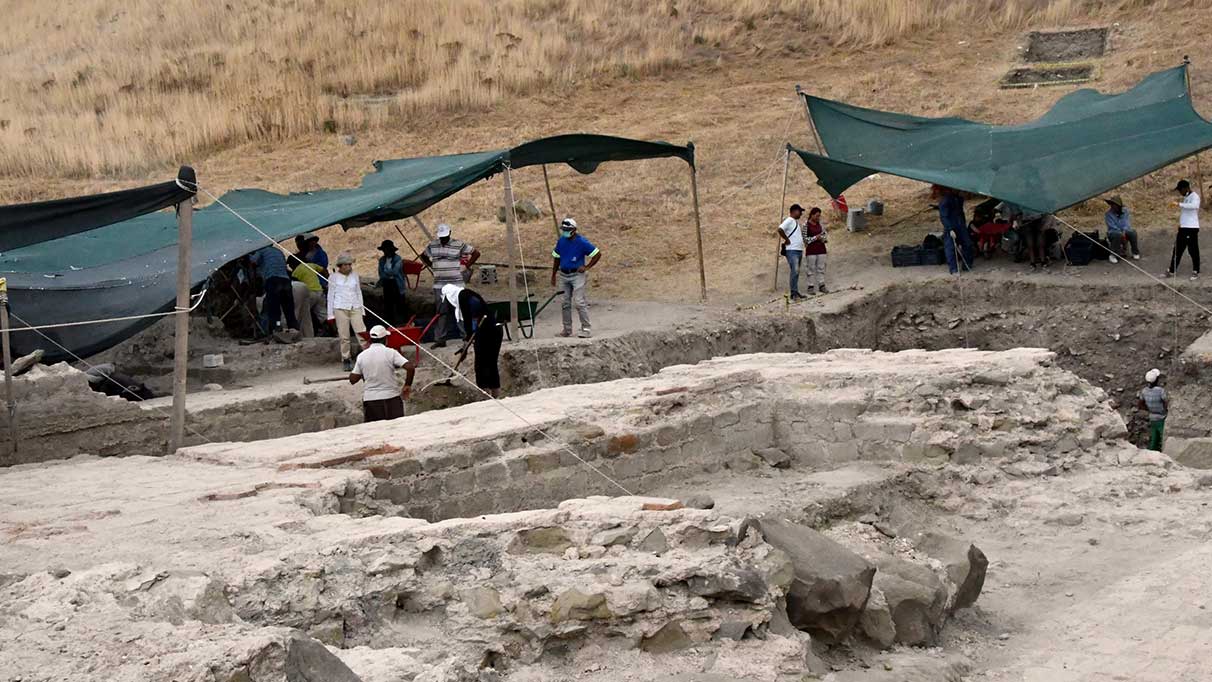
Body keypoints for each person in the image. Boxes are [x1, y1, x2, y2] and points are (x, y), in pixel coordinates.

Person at [421, 224, 480, 347]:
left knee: (460, 310)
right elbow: (423, 256)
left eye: (445, 237)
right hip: (440, 285)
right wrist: (432, 266)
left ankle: (466, 337)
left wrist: (466, 265)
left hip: (456, 284)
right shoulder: (433, 245)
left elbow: (475, 253)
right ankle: (440, 339)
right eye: (441, 237)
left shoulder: (458, 244)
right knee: (441, 312)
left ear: (450, 233)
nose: (443, 239)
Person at [442, 283, 504, 398]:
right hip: (495, 329)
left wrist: (467, 341)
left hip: (486, 332)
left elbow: (470, 320)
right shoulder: (467, 293)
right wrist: (467, 341)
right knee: (491, 364)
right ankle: (495, 395)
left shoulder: (463, 297)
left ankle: (485, 396)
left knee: (481, 365)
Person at [349, 325, 414, 423]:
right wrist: (407, 385)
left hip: (371, 400)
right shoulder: (391, 353)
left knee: (375, 432)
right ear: (385, 339)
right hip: (392, 398)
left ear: (370, 340)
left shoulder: (362, 356)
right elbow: (410, 367)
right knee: (397, 429)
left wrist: (362, 372)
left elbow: (353, 380)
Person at [550, 217, 601, 338]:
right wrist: (553, 275)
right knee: (565, 303)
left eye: (567, 229)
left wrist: (587, 267)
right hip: (564, 274)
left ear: (574, 230)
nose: (565, 232)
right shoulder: (561, 241)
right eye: (564, 229)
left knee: (579, 302)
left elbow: (597, 254)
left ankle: (586, 328)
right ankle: (567, 329)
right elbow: (556, 258)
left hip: (577, 275)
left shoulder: (582, 242)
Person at [327, 251, 366, 371]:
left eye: (350, 264)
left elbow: (358, 292)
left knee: (362, 332)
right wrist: (330, 314)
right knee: (344, 336)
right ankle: (346, 358)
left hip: (355, 306)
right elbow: (330, 295)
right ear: (341, 266)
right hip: (340, 307)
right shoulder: (333, 277)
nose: (349, 267)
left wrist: (362, 309)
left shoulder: (355, 275)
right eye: (346, 265)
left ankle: (367, 356)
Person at [250, 244, 299, 335]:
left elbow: (253, 262)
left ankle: (277, 329)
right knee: (289, 309)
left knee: (275, 309)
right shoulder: (278, 251)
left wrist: (248, 256)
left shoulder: (261, 250)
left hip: (273, 280)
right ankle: (294, 329)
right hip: (286, 280)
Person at [933, 185, 974, 275]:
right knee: (951, 248)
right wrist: (950, 229)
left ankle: (967, 265)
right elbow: (944, 217)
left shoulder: (959, 199)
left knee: (967, 244)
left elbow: (961, 213)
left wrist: (963, 224)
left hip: (961, 226)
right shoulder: (945, 201)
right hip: (951, 226)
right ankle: (954, 269)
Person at [1166, 179, 1200, 280]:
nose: (1180, 192)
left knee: (1192, 250)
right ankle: (1172, 270)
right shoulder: (1186, 198)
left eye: (1180, 190)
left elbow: (1194, 206)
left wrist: (1179, 204)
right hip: (1184, 227)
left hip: (1191, 228)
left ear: (1186, 188)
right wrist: (1181, 224)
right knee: (1177, 249)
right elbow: (1186, 213)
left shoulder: (1195, 196)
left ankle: (1196, 270)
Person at [777, 204, 806, 299]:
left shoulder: (794, 222)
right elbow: (780, 229)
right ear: (794, 211)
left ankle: (795, 291)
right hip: (792, 250)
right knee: (795, 270)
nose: (801, 213)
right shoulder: (789, 220)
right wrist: (787, 239)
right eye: (799, 211)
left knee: (796, 271)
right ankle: (793, 293)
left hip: (797, 249)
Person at [291, 259, 325, 338]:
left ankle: (313, 331)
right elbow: (324, 270)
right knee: (323, 314)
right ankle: (333, 331)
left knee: (305, 313)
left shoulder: (295, 272)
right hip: (319, 291)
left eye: (290, 265)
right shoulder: (310, 264)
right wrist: (326, 281)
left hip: (309, 293)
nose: (290, 267)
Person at [377, 239, 408, 325]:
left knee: (399, 305)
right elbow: (381, 273)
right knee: (388, 305)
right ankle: (389, 323)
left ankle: (401, 323)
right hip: (387, 284)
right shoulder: (382, 260)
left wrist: (386, 272)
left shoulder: (398, 259)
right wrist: (388, 273)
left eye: (387, 250)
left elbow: (395, 271)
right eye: (384, 250)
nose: (385, 252)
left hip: (397, 284)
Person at [1137, 368, 1168, 452]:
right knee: (1163, 437)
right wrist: (1165, 410)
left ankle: (1152, 452)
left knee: (1154, 438)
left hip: (1152, 417)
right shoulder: (1160, 391)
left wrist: (1148, 409)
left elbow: (1140, 404)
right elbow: (1165, 402)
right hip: (1162, 417)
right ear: (1156, 380)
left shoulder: (1144, 391)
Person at [1103, 195, 1140, 263]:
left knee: (1133, 232)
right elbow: (1112, 227)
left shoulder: (1125, 211)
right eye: (1112, 204)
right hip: (1113, 232)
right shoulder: (1108, 214)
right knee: (1117, 234)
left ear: (1118, 205)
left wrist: (1124, 231)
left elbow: (1126, 223)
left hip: (1124, 231)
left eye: (1114, 204)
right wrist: (1121, 233)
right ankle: (1113, 255)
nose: (1112, 206)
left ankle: (1135, 252)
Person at [803, 206, 829, 294]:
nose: (818, 218)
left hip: (821, 249)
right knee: (810, 269)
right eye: (817, 216)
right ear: (812, 215)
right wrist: (815, 238)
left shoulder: (820, 224)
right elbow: (805, 240)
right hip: (811, 250)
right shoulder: (806, 225)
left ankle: (821, 285)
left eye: (819, 216)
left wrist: (823, 239)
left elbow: (824, 235)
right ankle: (810, 286)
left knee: (821, 268)